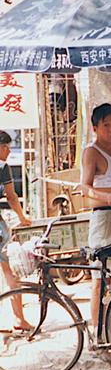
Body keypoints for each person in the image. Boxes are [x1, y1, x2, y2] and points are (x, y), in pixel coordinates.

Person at [80, 104, 111, 332]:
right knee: (100, 279)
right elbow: (84, 188)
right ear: (95, 128)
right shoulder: (93, 152)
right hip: (105, 219)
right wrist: (106, 196)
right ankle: (99, 332)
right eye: (107, 125)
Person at [0, 130, 32, 330]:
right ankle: (19, 319)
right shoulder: (3, 167)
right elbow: (12, 197)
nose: (9, 151)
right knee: (10, 271)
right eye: (5, 147)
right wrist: (22, 218)